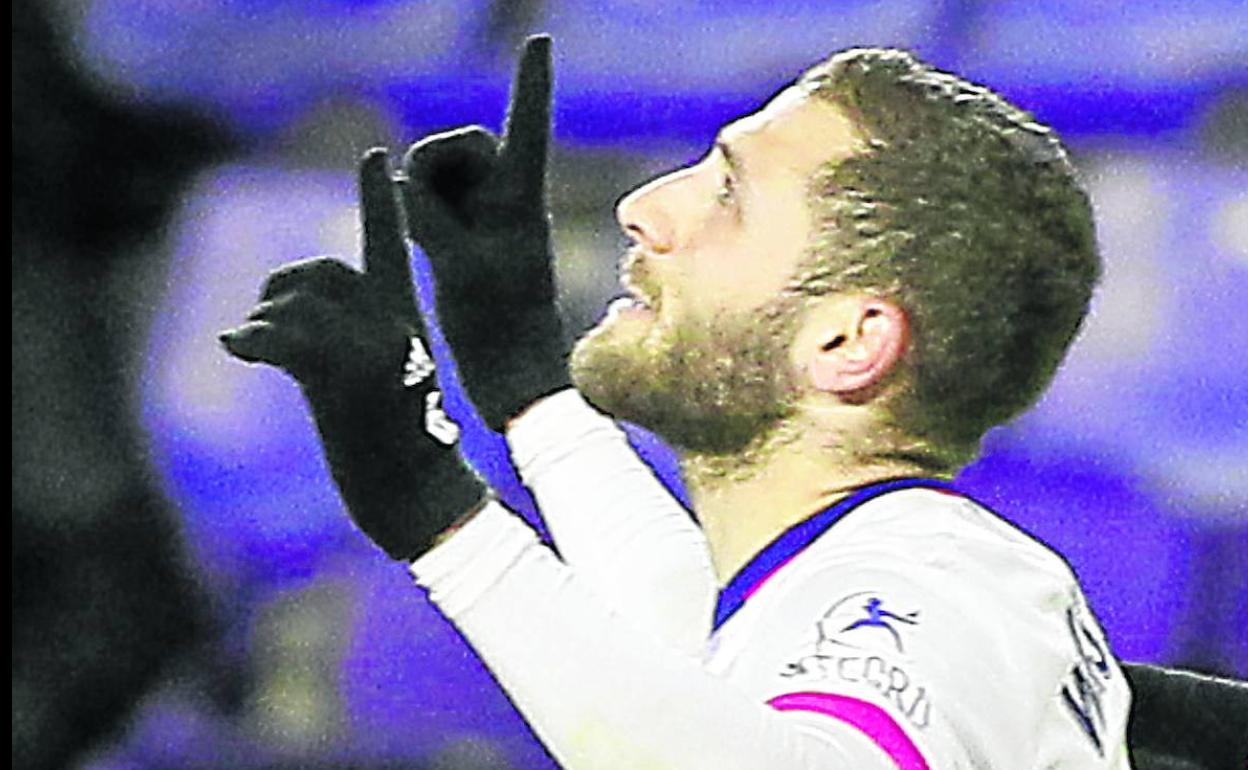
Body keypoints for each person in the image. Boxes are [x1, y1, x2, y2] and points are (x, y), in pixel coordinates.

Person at [220, 36, 1143, 768]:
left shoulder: (934, 596)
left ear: (847, 344)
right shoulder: (882, 569)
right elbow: (691, 655)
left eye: (728, 195)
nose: (646, 206)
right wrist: (528, 386)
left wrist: (440, 517)